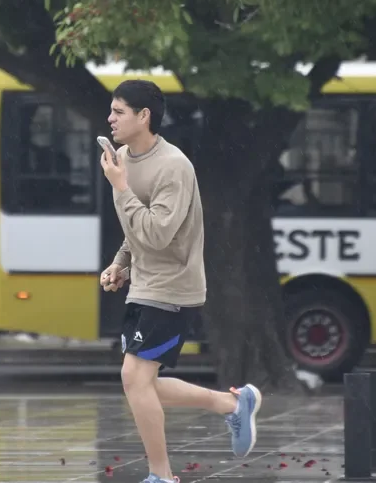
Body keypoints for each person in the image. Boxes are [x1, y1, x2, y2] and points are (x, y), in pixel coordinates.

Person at [98, 79, 261, 483]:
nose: (110, 118)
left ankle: (162, 476)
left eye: (118, 112)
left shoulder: (174, 166)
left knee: (133, 378)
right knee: (142, 382)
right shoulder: (123, 157)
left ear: (143, 116)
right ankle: (230, 405)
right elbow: (136, 230)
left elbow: (156, 232)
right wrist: (121, 264)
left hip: (172, 288)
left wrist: (120, 189)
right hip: (144, 285)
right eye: (111, 111)